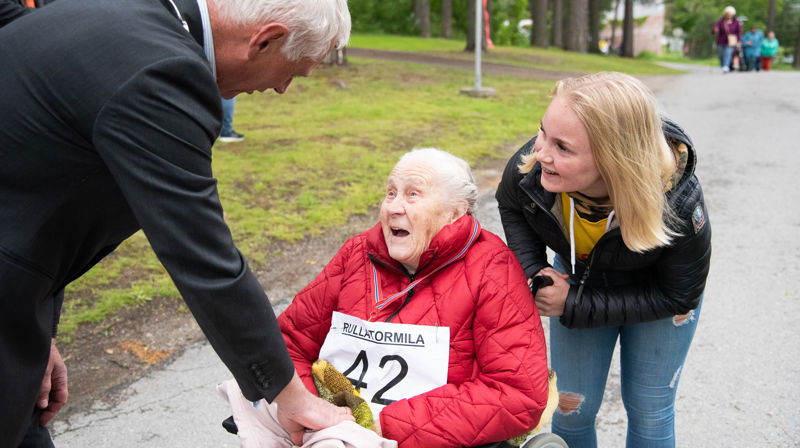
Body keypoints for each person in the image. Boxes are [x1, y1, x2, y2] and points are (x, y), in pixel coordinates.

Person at [0, 0, 352, 447]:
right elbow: (202, 256)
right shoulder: (164, 72)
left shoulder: (133, 13)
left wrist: (35, 333)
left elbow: (34, 181)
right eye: (293, 73)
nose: (282, 88)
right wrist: (290, 396)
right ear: (266, 40)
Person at [222, 148, 551, 447]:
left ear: (456, 211)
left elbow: (516, 394)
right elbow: (288, 343)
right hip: (327, 426)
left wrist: (383, 426)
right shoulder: (356, 254)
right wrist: (314, 409)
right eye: (391, 193)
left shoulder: (493, 268)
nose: (393, 207)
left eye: (412, 195)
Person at [495, 72, 711, 447]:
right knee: (571, 409)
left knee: (650, 412)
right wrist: (535, 269)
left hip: (658, 295)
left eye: (563, 147)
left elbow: (679, 295)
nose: (541, 152)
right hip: (579, 279)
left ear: (614, 159)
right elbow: (510, 203)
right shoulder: (534, 165)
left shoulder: (677, 201)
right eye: (543, 132)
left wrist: (574, 304)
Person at [711, 6, 742, 73]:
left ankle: (726, 66)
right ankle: (723, 65)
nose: (728, 15)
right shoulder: (721, 21)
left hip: (730, 42)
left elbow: (739, 32)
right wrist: (714, 29)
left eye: (730, 14)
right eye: (727, 14)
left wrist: (739, 41)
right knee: (721, 55)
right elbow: (714, 25)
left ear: (733, 14)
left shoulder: (736, 21)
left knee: (728, 53)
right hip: (721, 41)